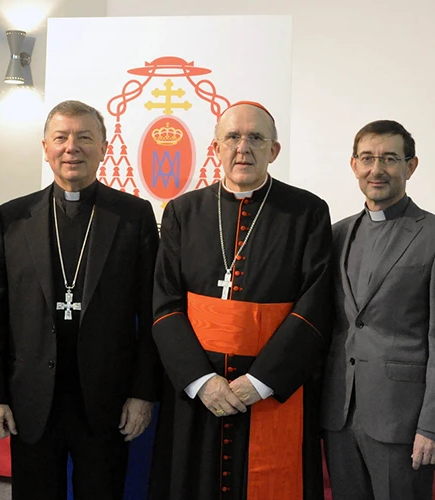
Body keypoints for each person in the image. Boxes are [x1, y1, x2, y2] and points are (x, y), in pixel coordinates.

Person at [0, 100, 160, 500]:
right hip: (32, 399)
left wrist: (142, 393)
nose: (71, 147)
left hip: (105, 400)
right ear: (46, 148)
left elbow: (152, 313)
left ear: (104, 147)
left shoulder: (134, 216)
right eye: (61, 137)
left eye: (84, 137)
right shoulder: (11, 218)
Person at [149, 101, 333, 500]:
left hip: (270, 387)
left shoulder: (307, 212)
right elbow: (165, 305)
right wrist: (202, 382)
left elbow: (315, 306)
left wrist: (261, 381)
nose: (242, 148)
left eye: (255, 138)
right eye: (232, 137)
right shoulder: (183, 211)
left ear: (274, 151)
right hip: (201, 389)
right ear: (216, 148)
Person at [321, 120, 435, 499]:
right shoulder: (335, 234)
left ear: (410, 166)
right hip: (340, 414)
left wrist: (434, 426)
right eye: (367, 158)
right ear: (353, 165)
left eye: (389, 158)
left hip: (403, 421)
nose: (377, 169)